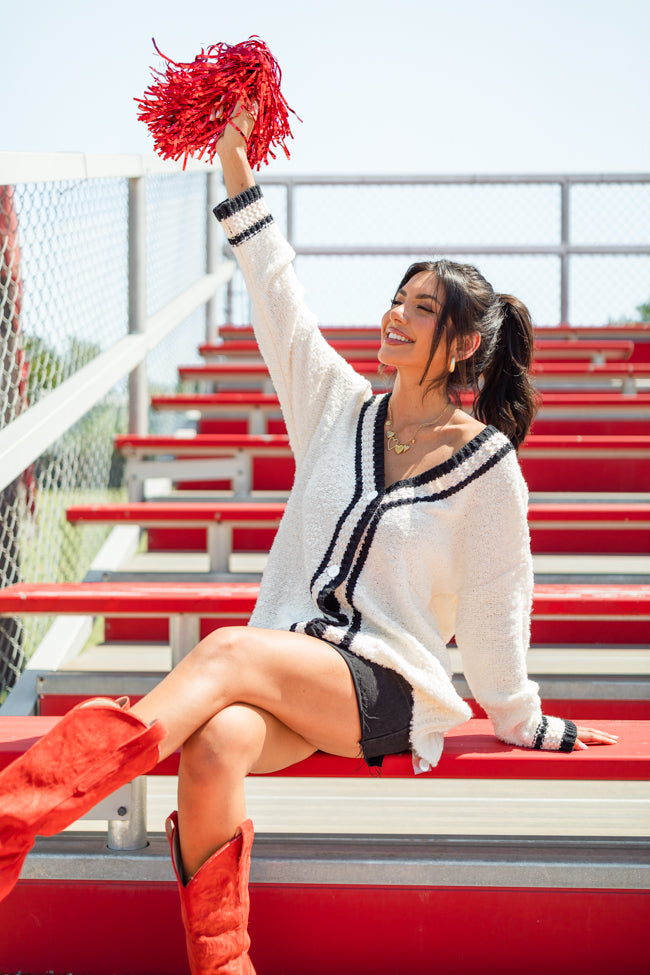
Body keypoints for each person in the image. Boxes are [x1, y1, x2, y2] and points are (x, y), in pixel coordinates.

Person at [0, 105, 617, 974]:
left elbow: (493, 613)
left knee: (221, 652)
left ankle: (13, 816)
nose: (395, 316)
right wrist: (236, 174)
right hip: (298, 670)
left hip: (385, 688)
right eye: (397, 299)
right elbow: (278, 297)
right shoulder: (338, 410)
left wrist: (528, 720)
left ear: (465, 343)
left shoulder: (488, 469)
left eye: (422, 308)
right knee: (215, 746)